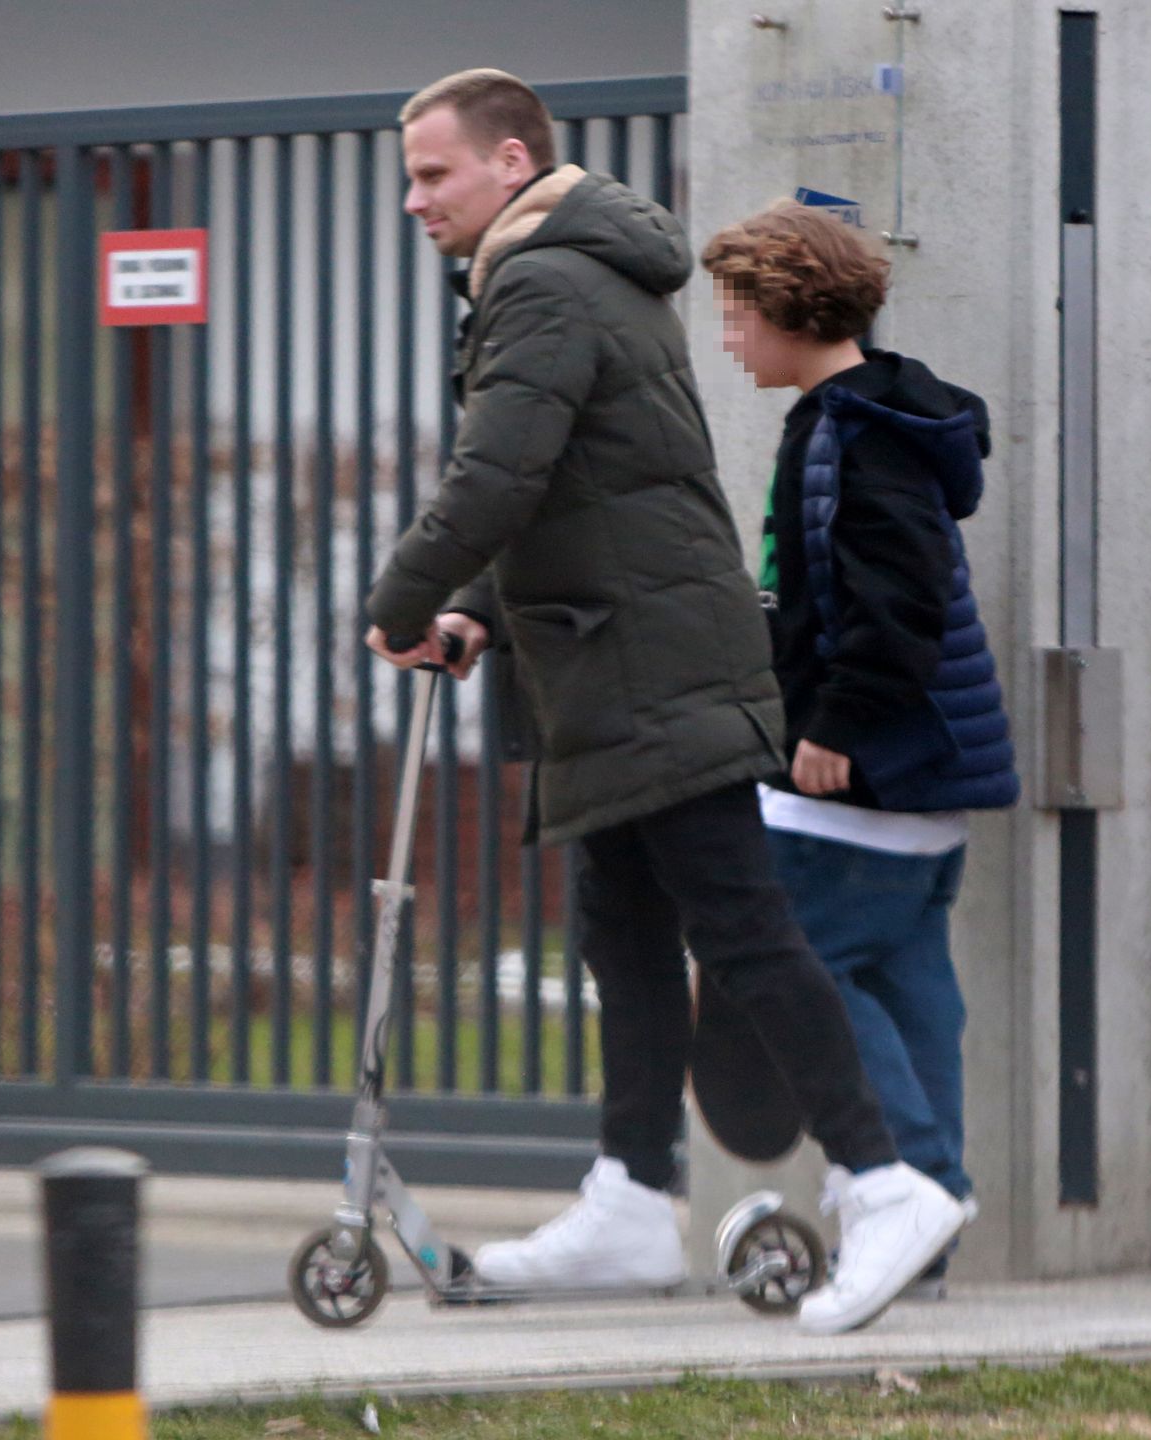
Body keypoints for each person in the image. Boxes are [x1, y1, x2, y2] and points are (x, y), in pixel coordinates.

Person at [362, 68, 965, 1335]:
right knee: (623, 937)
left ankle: (884, 1183)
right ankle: (631, 1198)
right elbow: (569, 484)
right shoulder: (571, 273)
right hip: (610, 662)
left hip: (650, 665)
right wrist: (471, 605)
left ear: (510, 162)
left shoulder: (544, 282)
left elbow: (496, 474)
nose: (413, 198)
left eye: (431, 173)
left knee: (742, 931)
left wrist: (400, 596)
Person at [702, 203, 1020, 1289]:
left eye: (738, 316)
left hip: (861, 778)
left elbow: (899, 605)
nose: (728, 339)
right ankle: (929, 1214)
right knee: (910, 989)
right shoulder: (870, 419)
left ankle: (901, 1188)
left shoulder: (855, 437)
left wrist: (833, 724)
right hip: (917, 786)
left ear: (791, 314)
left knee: (804, 975)